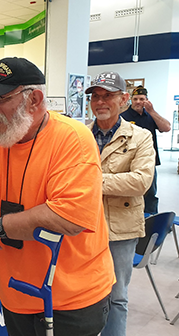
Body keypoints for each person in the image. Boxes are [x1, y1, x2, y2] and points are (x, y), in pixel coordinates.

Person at [0, 57, 115, 336]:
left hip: (70, 300)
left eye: (0, 98)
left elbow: (69, 217)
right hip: (13, 293)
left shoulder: (73, 139)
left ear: (35, 100)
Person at [86, 72, 155, 336]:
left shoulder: (141, 137)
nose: (100, 102)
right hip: (82, 225)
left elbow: (140, 182)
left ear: (124, 99)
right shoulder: (80, 135)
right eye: (95, 96)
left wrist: (91, 181)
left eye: (107, 96)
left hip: (121, 230)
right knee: (82, 295)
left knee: (116, 296)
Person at [120, 86, 171, 214]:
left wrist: (152, 111)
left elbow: (166, 127)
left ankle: (151, 223)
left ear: (147, 100)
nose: (138, 102)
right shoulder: (123, 117)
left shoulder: (151, 116)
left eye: (142, 99)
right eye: (135, 99)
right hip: (128, 162)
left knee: (151, 195)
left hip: (149, 162)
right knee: (130, 194)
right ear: (130, 100)